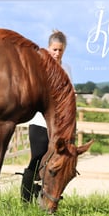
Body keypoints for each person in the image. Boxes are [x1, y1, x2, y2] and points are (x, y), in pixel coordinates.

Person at [20, 29, 72, 203]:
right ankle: (26, 199)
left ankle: (49, 196)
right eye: (54, 49)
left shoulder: (67, 69)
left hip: (59, 127)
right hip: (40, 122)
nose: (57, 53)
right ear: (48, 48)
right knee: (37, 159)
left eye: (60, 50)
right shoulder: (39, 66)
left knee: (56, 162)